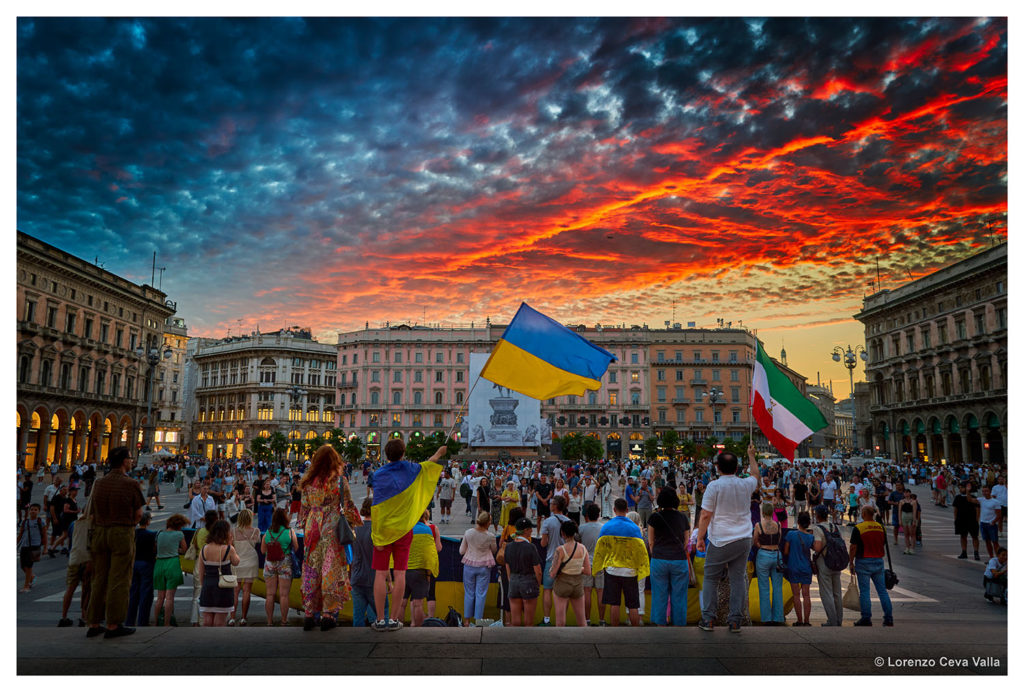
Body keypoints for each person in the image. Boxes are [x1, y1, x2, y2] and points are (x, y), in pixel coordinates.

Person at [371, 439, 448, 632]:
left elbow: (377, 505)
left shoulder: (377, 474)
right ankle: (394, 619)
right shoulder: (411, 469)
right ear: (403, 453)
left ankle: (380, 619)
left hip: (384, 530)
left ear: (386, 454)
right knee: (400, 573)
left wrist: (377, 535)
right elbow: (429, 464)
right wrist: (439, 452)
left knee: (380, 574)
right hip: (404, 529)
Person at [696, 444, 760, 633]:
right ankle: (735, 620)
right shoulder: (745, 484)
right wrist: (751, 455)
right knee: (738, 578)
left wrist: (700, 537)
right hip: (743, 539)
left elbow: (706, 514)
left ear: (717, 468)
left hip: (720, 540)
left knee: (710, 578)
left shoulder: (714, 486)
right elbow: (756, 475)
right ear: (737, 468)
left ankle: (708, 619)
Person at [85, 446, 145, 639]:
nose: (131, 460)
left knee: (99, 578)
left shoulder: (99, 483)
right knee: (119, 578)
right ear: (124, 461)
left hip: (100, 533)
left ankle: (93, 622)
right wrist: (128, 524)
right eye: (130, 457)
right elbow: (138, 514)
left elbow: (92, 512)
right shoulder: (131, 483)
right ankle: (113, 624)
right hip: (121, 532)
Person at [298, 445, 360, 632]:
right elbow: (348, 505)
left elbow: (304, 509)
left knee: (312, 567)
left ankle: (309, 614)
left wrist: (307, 524)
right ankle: (327, 614)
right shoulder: (339, 481)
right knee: (330, 568)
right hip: (331, 526)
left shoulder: (308, 482)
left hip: (312, 526)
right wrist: (354, 523)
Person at [592, 498, 649, 627]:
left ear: (614, 510)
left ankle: (614, 632)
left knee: (614, 603)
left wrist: (598, 567)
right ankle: (635, 631)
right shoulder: (635, 529)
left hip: (612, 570)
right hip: (630, 571)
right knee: (633, 604)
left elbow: (600, 550)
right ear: (627, 510)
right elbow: (640, 551)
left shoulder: (607, 527)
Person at [848, 505, 894, 627]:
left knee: (865, 592)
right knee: (882, 591)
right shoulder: (880, 527)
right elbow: (883, 543)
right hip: (878, 561)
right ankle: (888, 618)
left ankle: (866, 618)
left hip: (863, 561)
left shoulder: (859, 528)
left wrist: (851, 562)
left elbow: (853, 547)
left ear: (863, 514)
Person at [197, 519, 240, 627]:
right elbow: (236, 562)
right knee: (219, 622)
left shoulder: (204, 549)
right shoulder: (228, 549)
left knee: (207, 621)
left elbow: (201, 572)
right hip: (223, 588)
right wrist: (230, 544)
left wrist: (204, 585)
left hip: (208, 586)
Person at [402, 510, 441, 627]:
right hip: (423, 568)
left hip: (404, 569)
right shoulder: (430, 529)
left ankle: (403, 624)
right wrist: (429, 572)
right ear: (426, 517)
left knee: (402, 601)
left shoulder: (406, 529)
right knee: (422, 600)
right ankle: (425, 623)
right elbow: (436, 549)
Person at [549, 520, 590, 627]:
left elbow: (553, 573)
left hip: (562, 585)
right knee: (582, 620)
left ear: (562, 533)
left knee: (560, 621)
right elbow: (587, 571)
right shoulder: (582, 548)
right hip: (577, 585)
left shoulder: (560, 550)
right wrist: (577, 568)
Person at [539, 495, 572, 625]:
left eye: (552, 503)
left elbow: (543, 543)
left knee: (547, 589)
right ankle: (561, 619)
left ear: (555, 506)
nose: (550, 504)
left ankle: (547, 619)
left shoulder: (547, 522)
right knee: (564, 592)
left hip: (551, 559)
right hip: (566, 560)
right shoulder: (569, 521)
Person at [460, 511, 496, 626]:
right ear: (487, 523)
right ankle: (478, 621)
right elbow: (494, 550)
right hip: (484, 566)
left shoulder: (468, 533)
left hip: (469, 564)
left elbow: (461, 551)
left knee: (469, 593)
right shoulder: (490, 536)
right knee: (481, 594)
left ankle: (466, 621)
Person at [261, 508, 297, 626]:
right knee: (284, 594)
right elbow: (296, 548)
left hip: (270, 564)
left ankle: (269, 621)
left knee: (270, 594)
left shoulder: (268, 532)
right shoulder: (290, 531)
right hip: (285, 563)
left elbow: (262, 550)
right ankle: (283, 620)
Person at [505, 517, 542, 626]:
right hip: (528, 581)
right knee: (529, 621)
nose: (532, 531)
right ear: (526, 530)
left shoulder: (509, 546)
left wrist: (510, 580)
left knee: (515, 620)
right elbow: (538, 570)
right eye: (530, 529)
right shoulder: (531, 547)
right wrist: (538, 584)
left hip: (514, 580)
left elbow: (507, 566)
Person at [152, 513, 188, 627]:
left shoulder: (160, 534)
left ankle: (156, 623)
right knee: (169, 597)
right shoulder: (179, 534)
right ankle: (167, 623)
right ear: (179, 525)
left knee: (160, 597)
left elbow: (156, 547)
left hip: (159, 564)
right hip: (172, 563)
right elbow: (184, 549)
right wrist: (176, 550)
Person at [752, 502, 784, 626]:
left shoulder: (759, 525)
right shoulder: (778, 525)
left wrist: (761, 546)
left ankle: (766, 618)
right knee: (777, 587)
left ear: (763, 512)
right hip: (776, 554)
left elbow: (755, 540)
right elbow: (779, 539)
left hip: (764, 554)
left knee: (764, 587)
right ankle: (778, 617)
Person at [811, 505, 843, 627]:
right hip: (837, 562)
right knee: (837, 593)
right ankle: (839, 620)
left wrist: (812, 543)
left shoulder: (818, 529)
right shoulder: (834, 527)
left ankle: (832, 620)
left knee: (827, 593)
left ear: (817, 515)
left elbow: (818, 547)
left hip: (824, 562)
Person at [125, 512, 157, 627]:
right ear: (148, 522)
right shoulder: (152, 534)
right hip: (147, 563)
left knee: (133, 593)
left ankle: (129, 620)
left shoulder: (133, 533)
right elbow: (154, 549)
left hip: (134, 563)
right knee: (146, 593)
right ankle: (143, 621)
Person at [350, 498, 378, 627]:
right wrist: (388, 580)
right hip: (374, 577)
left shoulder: (355, 529)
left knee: (358, 616)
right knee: (381, 613)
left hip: (356, 576)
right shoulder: (377, 530)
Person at [783, 511, 814, 626]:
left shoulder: (791, 535)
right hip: (806, 568)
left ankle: (799, 620)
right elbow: (815, 548)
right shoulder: (811, 537)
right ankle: (807, 621)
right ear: (809, 523)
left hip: (793, 567)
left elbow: (785, 551)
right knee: (806, 595)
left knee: (796, 595)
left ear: (798, 522)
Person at [230, 509, 260, 626]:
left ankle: (232, 618)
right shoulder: (256, 531)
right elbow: (257, 544)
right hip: (251, 561)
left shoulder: (233, 531)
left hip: (237, 561)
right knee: (247, 591)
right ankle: (243, 618)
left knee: (235, 591)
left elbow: (230, 547)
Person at [579, 503, 606, 626]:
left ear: (587, 515)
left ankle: (587, 619)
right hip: (600, 563)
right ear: (599, 515)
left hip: (586, 563)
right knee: (601, 592)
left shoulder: (582, 528)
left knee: (587, 591)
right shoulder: (604, 528)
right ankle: (602, 620)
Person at [188, 510, 218, 626]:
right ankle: (210, 618)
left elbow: (194, 546)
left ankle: (195, 620)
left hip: (199, 562)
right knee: (213, 593)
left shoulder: (199, 531)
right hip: (213, 562)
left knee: (197, 593)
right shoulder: (216, 533)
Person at [18, 503, 47, 593]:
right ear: (29, 511)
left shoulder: (40, 522)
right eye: (32, 509)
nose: (33, 511)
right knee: (23, 566)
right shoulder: (25, 522)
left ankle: (26, 585)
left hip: (34, 546)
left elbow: (45, 535)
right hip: (24, 545)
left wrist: (45, 548)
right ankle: (32, 577)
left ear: (38, 511)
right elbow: (20, 534)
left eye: (35, 510)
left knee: (29, 566)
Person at [953, 482, 981, 561]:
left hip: (972, 520)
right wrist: (955, 519)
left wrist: (977, 520)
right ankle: (964, 552)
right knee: (963, 536)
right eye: (960, 487)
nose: (960, 489)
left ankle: (976, 553)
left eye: (962, 487)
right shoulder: (957, 497)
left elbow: (977, 509)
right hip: (961, 520)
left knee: (975, 537)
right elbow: (955, 509)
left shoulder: (973, 497)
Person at [978, 485, 1003, 559]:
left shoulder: (995, 502)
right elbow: (970, 499)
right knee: (987, 542)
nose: (985, 493)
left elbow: (999, 515)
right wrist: (967, 490)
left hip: (991, 525)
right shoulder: (981, 500)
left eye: (986, 491)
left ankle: (999, 558)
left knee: (995, 542)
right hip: (983, 524)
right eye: (983, 491)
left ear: (990, 492)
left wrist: (993, 522)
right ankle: (991, 558)